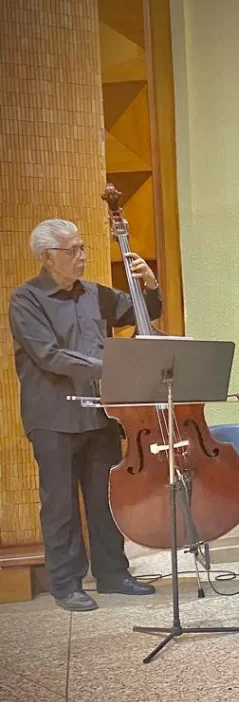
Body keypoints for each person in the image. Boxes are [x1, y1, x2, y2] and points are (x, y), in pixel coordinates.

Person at [9, 219, 162, 611]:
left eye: (82, 248)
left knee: (105, 500)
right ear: (47, 257)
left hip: (101, 414)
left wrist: (149, 284)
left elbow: (144, 313)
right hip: (53, 417)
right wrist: (110, 366)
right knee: (60, 504)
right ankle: (66, 583)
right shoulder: (25, 300)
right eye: (72, 250)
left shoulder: (96, 294)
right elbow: (49, 355)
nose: (81, 256)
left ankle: (113, 575)